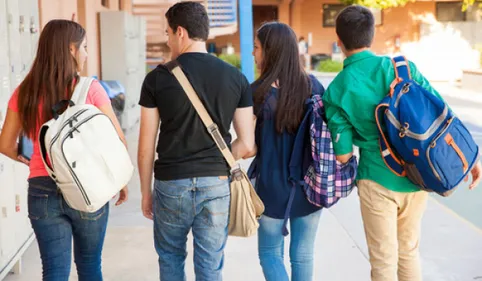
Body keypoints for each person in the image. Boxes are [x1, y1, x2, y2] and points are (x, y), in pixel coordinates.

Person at [322, 5, 482, 281]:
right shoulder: (401, 68)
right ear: (371, 36)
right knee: (408, 251)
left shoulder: (337, 90)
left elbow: (344, 156)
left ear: (339, 42)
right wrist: (468, 159)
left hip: (376, 179)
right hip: (417, 176)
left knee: (383, 258)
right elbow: (441, 113)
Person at [0, 20, 128, 281]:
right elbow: (117, 138)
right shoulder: (90, 89)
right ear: (71, 49)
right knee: (90, 265)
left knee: (55, 272)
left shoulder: (23, 92)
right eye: (85, 47)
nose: (86, 53)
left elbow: (4, 144)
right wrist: (119, 179)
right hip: (88, 186)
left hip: (41, 189)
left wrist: (30, 161)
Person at [137, 2, 255, 281]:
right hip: (215, 183)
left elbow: (145, 148)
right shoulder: (236, 78)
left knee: (170, 258)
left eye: (167, 33)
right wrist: (218, 158)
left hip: (171, 183)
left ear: (180, 32)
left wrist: (145, 193)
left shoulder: (156, 79)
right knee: (210, 265)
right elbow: (247, 144)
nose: (166, 40)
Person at [249, 22, 324, 281]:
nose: (253, 53)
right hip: (311, 186)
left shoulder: (256, 93)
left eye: (256, 48)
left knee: (270, 254)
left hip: (270, 189)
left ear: (271, 51)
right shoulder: (314, 88)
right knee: (303, 255)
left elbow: (248, 147)